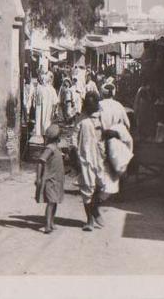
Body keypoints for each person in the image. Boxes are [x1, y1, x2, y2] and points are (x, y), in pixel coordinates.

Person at [72, 92, 121, 231]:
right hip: (85, 158)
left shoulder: (102, 117)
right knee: (87, 189)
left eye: (92, 104)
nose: (90, 107)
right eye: (88, 105)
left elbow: (106, 134)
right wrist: (75, 154)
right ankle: (89, 220)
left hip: (100, 158)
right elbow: (74, 138)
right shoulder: (81, 119)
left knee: (106, 187)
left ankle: (94, 209)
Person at [35, 123, 65, 234]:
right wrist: (38, 178)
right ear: (58, 138)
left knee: (54, 201)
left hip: (56, 180)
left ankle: (52, 222)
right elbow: (40, 162)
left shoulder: (56, 148)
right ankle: (47, 225)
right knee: (51, 202)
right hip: (50, 180)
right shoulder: (50, 148)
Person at [34, 71, 58, 140]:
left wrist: (53, 112)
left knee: (44, 127)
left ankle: (45, 141)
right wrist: (53, 113)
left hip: (45, 111)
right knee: (46, 127)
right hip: (46, 111)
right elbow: (55, 102)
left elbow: (54, 102)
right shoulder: (49, 89)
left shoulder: (41, 89)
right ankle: (45, 141)